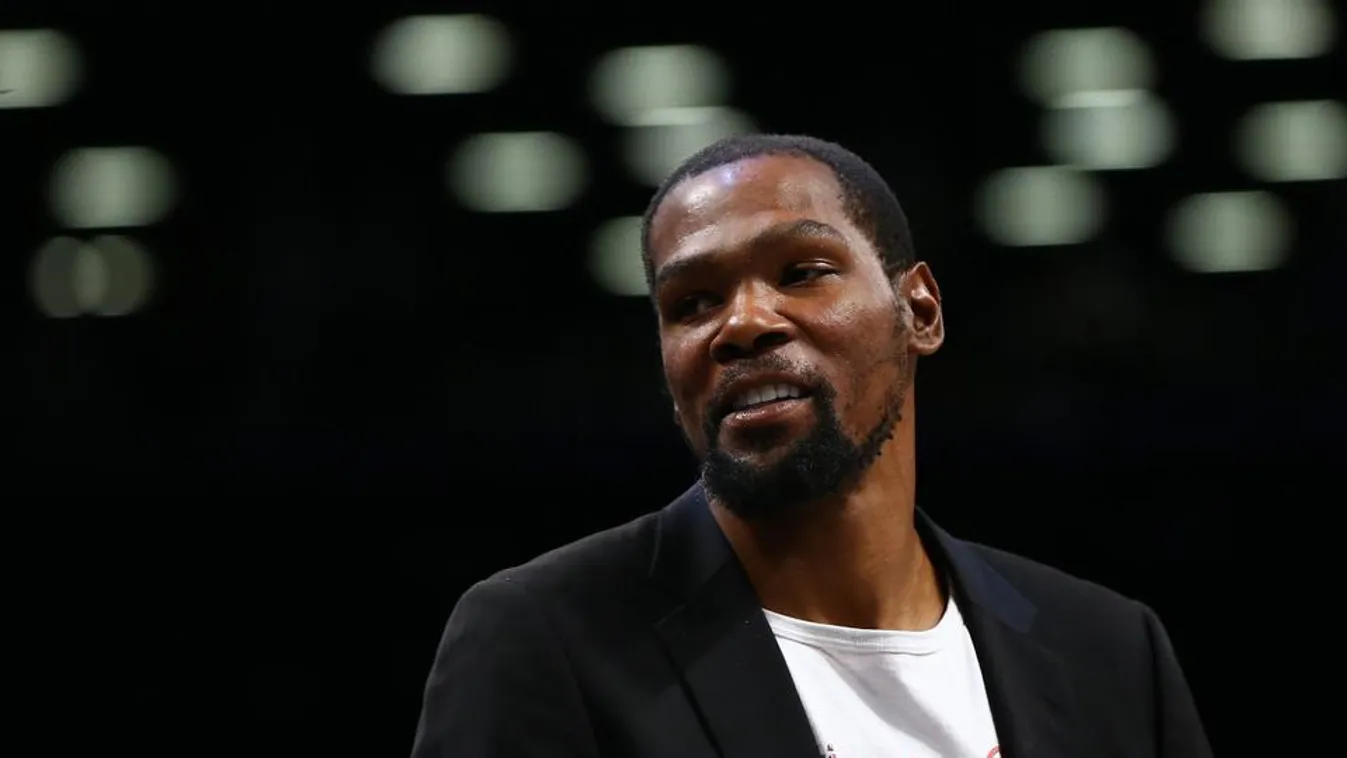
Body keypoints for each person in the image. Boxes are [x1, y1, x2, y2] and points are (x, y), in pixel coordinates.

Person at [409, 134, 1212, 758]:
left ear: (919, 312)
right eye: (691, 303)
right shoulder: (544, 638)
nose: (741, 322)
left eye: (802, 272)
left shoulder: (1108, 651)